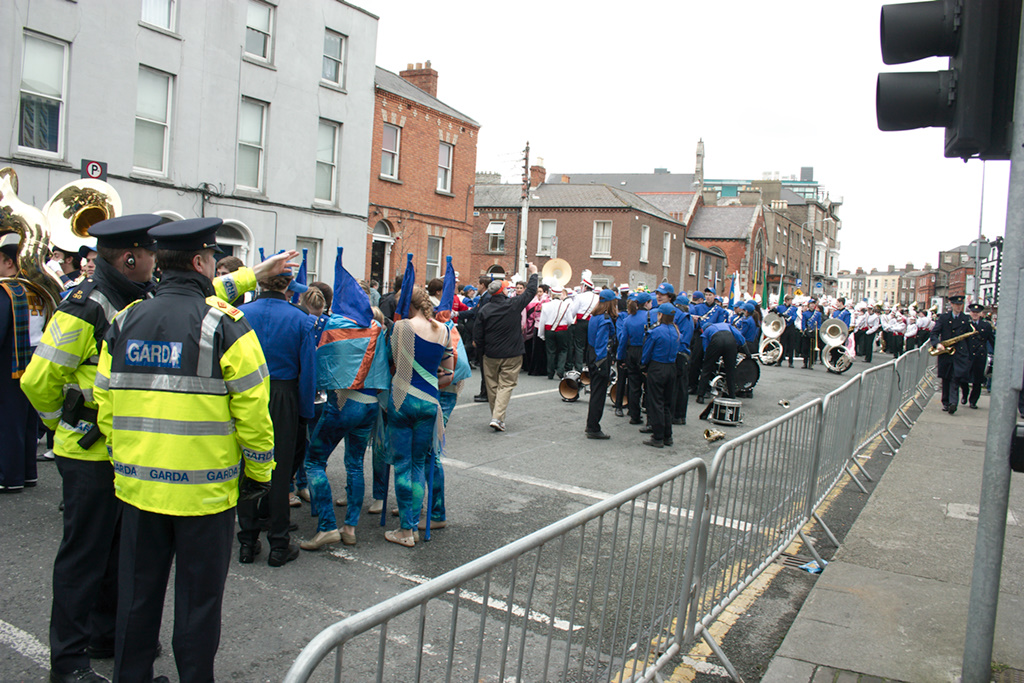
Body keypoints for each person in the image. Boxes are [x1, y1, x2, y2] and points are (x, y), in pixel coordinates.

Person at [92, 217, 276, 683]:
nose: (213, 264)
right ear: (199, 263)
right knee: (198, 605)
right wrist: (260, 474)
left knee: (136, 598)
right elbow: (254, 415)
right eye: (211, 257)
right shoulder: (226, 326)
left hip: (138, 489)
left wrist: (123, 458)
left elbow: (104, 403)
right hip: (205, 496)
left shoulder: (125, 321)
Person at [300, 249, 390, 550]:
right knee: (354, 464)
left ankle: (327, 525)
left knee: (314, 461)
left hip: (342, 403)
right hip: (370, 404)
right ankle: (350, 527)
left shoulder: (334, 326)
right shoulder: (375, 327)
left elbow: (318, 363)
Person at [236, 265, 317, 567]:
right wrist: (305, 411)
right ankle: (279, 544)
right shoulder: (301, 319)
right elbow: (308, 371)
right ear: (287, 286)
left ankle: (247, 541)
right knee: (280, 471)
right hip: (284, 395)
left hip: (247, 391)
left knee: (246, 466)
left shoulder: (241, 314)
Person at [385, 286, 455, 546]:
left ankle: (406, 530)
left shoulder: (401, 327)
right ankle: (413, 525)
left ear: (406, 303)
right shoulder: (444, 330)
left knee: (403, 466)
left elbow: (391, 360)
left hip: (402, 399)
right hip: (430, 402)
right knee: (418, 464)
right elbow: (448, 374)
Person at [0, 231, 42, 494]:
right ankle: (27, 472)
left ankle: (9, 475)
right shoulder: (36, 289)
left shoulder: (5, 290)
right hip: (34, 360)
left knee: (8, 421)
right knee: (27, 421)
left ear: (9, 262)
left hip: (9, 362)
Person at [474, 264, 538, 432]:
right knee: (506, 385)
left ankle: (497, 417)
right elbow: (531, 292)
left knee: (492, 386)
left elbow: (478, 335)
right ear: (503, 291)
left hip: (491, 353)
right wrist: (534, 273)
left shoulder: (485, 309)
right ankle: (497, 417)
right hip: (512, 353)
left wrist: (482, 352)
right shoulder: (513, 304)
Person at [641, 303, 681, 448]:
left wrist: (644, 365)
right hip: (671, 367)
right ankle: (667, 435)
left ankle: (657, 436)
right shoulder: (676, 331)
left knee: (656, 402)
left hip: (657, 367)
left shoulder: (656, 332)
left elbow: (647, 352)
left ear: (661, 315)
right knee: (667, 403)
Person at [930, 295, 974, 414]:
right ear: (952, 305)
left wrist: (970, 355)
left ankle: (953, 403)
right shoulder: (944, 318)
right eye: (957, 305)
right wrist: (937, 344)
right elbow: (934, 333)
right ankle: (945, 402)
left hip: (959, 353)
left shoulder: (966, 319)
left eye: (961, 305)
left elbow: (969, 339)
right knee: (946, 378)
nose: (959, 307)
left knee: (956, 378)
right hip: (946, 352)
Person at [584, 289, 618, 439]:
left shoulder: (595, 316)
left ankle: (591, 425)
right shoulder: (605, 319)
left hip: (592, 354)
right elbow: (601, 343)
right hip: (600, 357)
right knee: (598, 394)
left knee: (595, 392)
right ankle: (593, 427)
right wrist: (602, 363)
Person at [695, 321, 749, 403]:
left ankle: (700, 396)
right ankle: (732, 395)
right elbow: (739, 336)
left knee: (706, 370)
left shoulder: (706, 331)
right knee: (730, 371)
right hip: (730, 341)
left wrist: (708, 359)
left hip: (716, 341)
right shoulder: (726, 325)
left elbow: (705, 347)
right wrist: (747, 353)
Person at [962, 302, 996, 410]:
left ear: (980, 313)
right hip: (967, 354)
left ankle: (973, 401)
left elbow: (991, 340)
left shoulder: (986, 325)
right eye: (973, 312)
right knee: (963, 378)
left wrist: (997, 352)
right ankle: (965, 394)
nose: (975, 314)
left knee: (977, 380)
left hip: (980, 355)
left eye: (977, 312)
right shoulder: (965, 324)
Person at [538, 283, 573, 379]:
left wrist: (541, 334)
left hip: (549, 330)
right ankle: (560, 370)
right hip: (562, 330)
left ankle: (550, 372)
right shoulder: (566, 305)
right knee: (563, 350)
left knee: (550, 351)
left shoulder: (545, 305)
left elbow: (542, 321)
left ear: (552, 294)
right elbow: (570, 320)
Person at [569, 271, 598, 372]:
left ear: (585, 287)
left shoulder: (579, 296)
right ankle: (590, 366)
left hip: (581, 322)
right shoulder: (597, 297)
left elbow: (573, 311)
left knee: (579, 346)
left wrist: (571, 322)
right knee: (591, 344)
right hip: (592, 322)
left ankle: (579, 368)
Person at [800, 298, 823, 369]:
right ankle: (805, 363)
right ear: (809, 305)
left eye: (813, 304)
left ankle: (811, 363)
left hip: (814, 333)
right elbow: (803, 323)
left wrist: (816, 331)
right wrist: (805, 330)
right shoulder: (805, 313)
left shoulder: (818, 314)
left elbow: (819, 324)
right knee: (805, 348)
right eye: (811, 304)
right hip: (807, 332)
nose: (812, 305)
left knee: (812, 349)